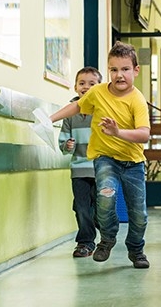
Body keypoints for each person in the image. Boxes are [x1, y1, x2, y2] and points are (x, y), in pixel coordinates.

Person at [50, 41, 151, 269]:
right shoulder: (97, 92)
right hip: (105, 158)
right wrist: (51, 119)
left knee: (139, 213)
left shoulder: (137, 100)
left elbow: (144, 134)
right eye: (113, 69)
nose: (119, 75)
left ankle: (136, 250)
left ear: (136, 71)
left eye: (125, 69)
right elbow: (77, 107)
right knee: (105, 199)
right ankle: (106, 239)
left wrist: (118, 132)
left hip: (133, 163)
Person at [58, 67, 102, 258]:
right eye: (82, 83)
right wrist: (67, 145)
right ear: (75, 87)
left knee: (102, 210)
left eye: (92, 83)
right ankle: (85, 242)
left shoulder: (102, 109)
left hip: (102, 169)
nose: (86, 87)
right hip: (79, 169)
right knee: (82, 208)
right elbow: (63, 143)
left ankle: (107, 237)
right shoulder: (70, 113)